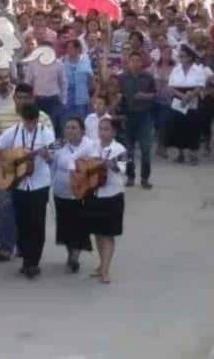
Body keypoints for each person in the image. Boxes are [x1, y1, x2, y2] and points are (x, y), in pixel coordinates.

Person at [0, 83, 52, 262]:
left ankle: (25, 249)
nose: (22, 101)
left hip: (34, 177)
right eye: (19, 97)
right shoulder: (3, 116)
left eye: (26, 98)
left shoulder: (43, 119)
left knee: (30, 214)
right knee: (6, 205)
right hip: (6, 170)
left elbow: (52, 149)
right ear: (14, 98)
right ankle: (6, 247)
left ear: (32, 99)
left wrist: (47, 154)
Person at [50, 117, 98, 273]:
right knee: (65, 225)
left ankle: (75, 256)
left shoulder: (90, 146)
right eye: (68, 127)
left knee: (79, 225)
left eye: (74, 127)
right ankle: (70, 252)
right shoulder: (59, 148)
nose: (70, 130)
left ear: (82, 130)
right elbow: (53, 167)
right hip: (62, 192)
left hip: (82, 192)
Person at [86, 118, 127, 284]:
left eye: (106, 129)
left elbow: (122, 169)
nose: (102, 132)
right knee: (97, 232)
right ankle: (102, 263)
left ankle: (105, 270)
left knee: (108, 235)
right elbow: (79, 162)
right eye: (100, 129)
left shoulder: (120, 149)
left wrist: (111, 165)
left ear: (114, 132)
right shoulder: (92, 145)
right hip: (94, 194)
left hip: (113, 195)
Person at [118, 51, 156, 188]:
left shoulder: (148, 77)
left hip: (144, 116)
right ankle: (130, 176)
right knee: (129, 149)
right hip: (127, 116)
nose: (135, 63)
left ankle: (145, 178)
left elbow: (154, 95)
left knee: (146, 148)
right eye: (132, 60)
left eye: (137, 60)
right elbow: (117, 97)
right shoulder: (121, 78)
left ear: (142, 62)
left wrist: (144, 96)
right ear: (128, 62)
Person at [167, 44, 206, 165]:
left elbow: (200, 86)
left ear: (190, 57)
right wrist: (182, 96)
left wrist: (190, 95)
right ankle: (180, 154)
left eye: (183, 56)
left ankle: (193, 154)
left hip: (192, 99)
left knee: (192, 127)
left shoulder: (198, 69)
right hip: (178, 99)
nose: (180, 58)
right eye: (180, 56)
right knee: (178, 126)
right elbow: (170, 87)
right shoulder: (176, 69)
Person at [62, 39, 93, 124]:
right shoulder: (62, 61)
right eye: (67, 48)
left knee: (81, 122)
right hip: (67, 98)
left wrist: (90, 95)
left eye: (71, 48)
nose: (69, 50)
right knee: (68, 121)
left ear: (78, 49)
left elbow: (90, 80)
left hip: (82, 97)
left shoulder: (85, 60)